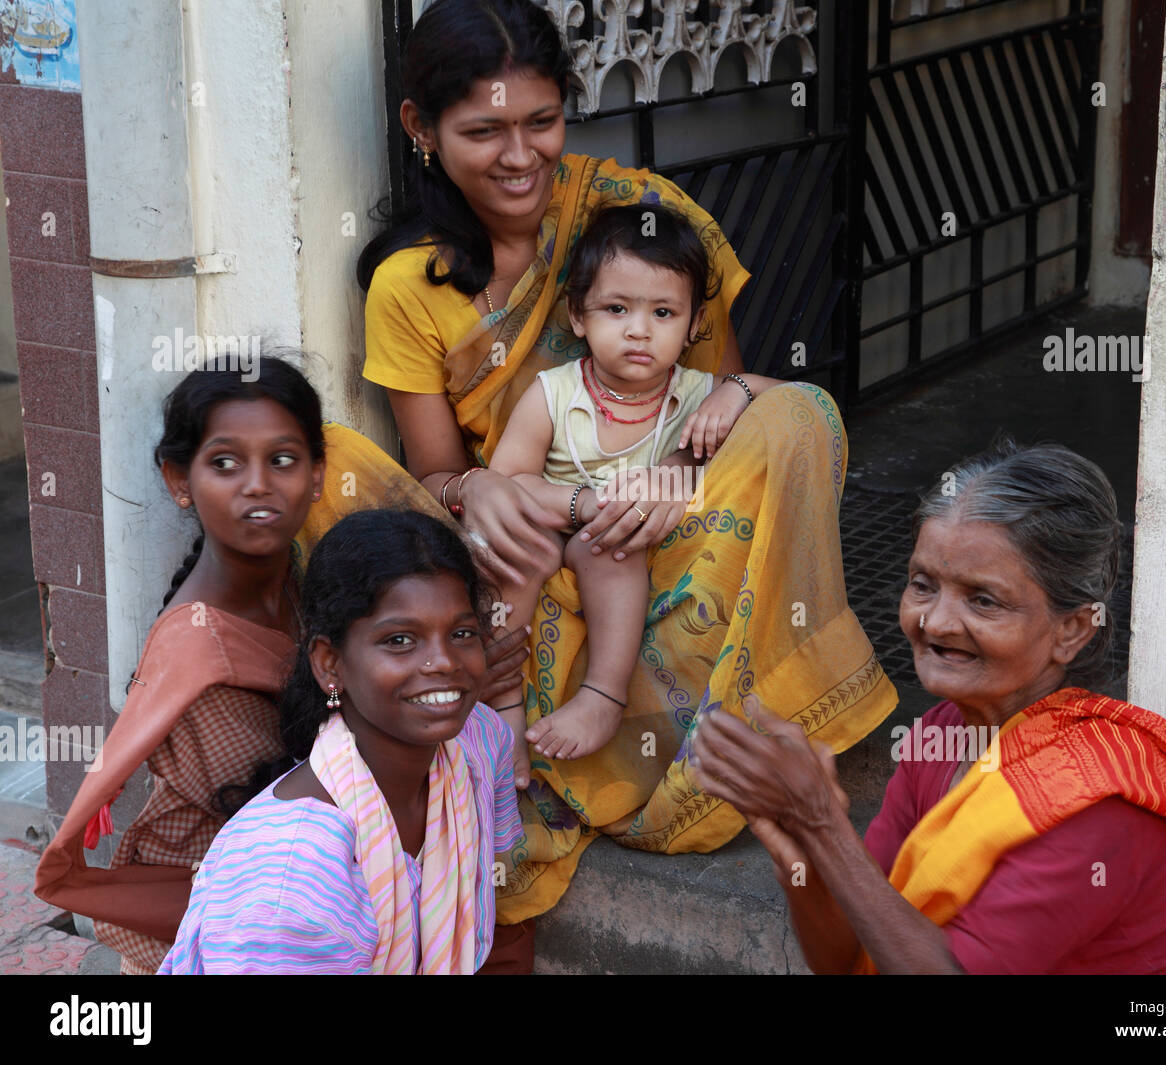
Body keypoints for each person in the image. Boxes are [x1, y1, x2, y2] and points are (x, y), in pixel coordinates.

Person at [344, 0, 897, 931]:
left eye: (541, 122)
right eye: (483, 131)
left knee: (796, 411)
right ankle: (533, 725)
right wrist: (483, 489)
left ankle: (713, 723)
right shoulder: (411, 286)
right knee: (334, 466)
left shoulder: (642, 218)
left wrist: (673, 479)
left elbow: (716, 403)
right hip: (529, 538)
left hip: (670, 520)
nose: (520, 156)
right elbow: (435, 474)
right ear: (421, 130)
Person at [693, 440, 1166, 975]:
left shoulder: (1093, 800)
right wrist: (803, 855)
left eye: (983, 601)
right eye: (923, 583)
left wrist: (826, 827)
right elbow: (855, 954)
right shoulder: (942, 735)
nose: (935, 621)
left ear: (1072, 630)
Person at [33, 357, 326, 974]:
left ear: (319, 475)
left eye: (283, 459)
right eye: (224, 462)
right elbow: (292, 806)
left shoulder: (299, 585)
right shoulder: (199, 658)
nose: (257, 484)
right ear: (178, 480)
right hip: (206, 915)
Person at [160, 509, 523, 974]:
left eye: (461, 633)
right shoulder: (287, 886)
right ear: (330, 664)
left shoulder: (480, 743)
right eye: (400, 640)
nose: (444, 661)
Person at [489, 203, 782, 768]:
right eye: (616, 308)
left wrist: (738, 389)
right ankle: (503, 712)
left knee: (613, 547)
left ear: (697, 323)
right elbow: (507, 483)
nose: (638, 330)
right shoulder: (554, 393)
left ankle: (602, 696)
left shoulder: (698, 394)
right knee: (512, 548)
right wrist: (591, 504)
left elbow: (796, 405)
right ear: (578, 315)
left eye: (664, 313)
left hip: (631, 549)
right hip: (557, 527)